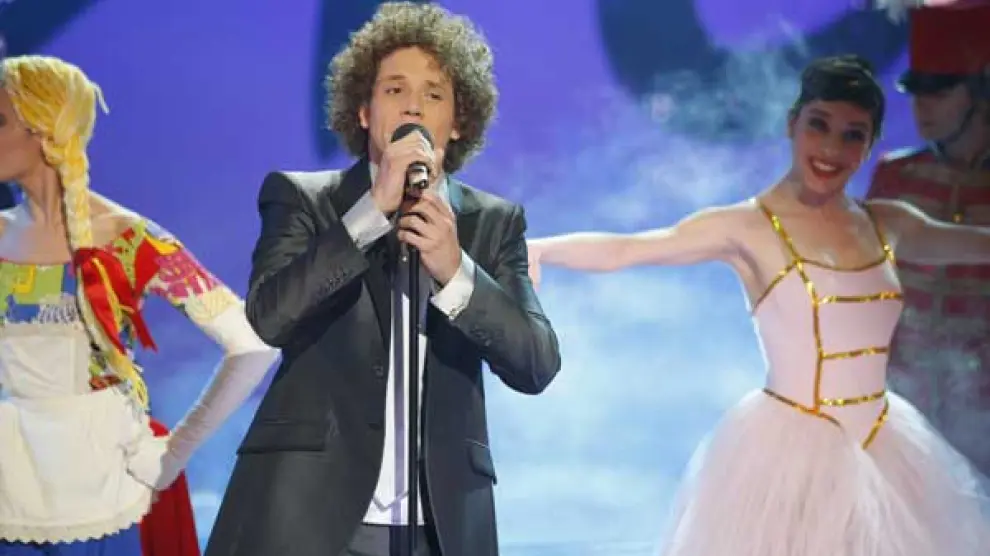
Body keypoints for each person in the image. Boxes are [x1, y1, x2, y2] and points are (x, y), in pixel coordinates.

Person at [528, 55, 990, 555]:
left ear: (871, 143)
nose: (831, 149)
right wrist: (540, 250)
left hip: (886, 446)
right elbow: (630, 249)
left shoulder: (887, 223)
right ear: (793, 124)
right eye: (819, 125)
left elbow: (978, 244)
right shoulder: (746, 226)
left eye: (852, 135)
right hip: (791, 456)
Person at [204, 3, 561, 556]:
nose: (413, 104)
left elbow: (536, 363)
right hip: (306, 519)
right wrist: (369, 213)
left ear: (459, 122)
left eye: (433, 94)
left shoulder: (493, 224)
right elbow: (270, 317)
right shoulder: (304, 199)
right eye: (394, 89)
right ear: (365, 112)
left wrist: (456, 270)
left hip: (438, 527)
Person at [0, 55, 279, 555]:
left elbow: (252, 345)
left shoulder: (130, 240)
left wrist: (173, 454)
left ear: (42, 129)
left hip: (102, 503)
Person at [866, 4, 990, 474]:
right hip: (905, 421)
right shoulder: (895, 177)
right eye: (917, 89)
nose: (922, 105)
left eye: (939, 90)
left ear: (981, 90)